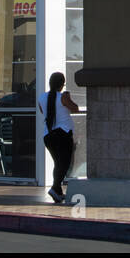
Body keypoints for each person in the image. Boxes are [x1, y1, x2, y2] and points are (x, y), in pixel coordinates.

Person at [38, 72, 79, 203]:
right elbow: (75, 109)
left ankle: (58, 192)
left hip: (48, 136)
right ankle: (55, 188)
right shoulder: (63, 97)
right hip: (63, 134)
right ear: (61, 85)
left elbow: (42, 111)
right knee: (65, 163)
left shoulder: (42, 97)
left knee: (58, 163)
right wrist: (68, 97)